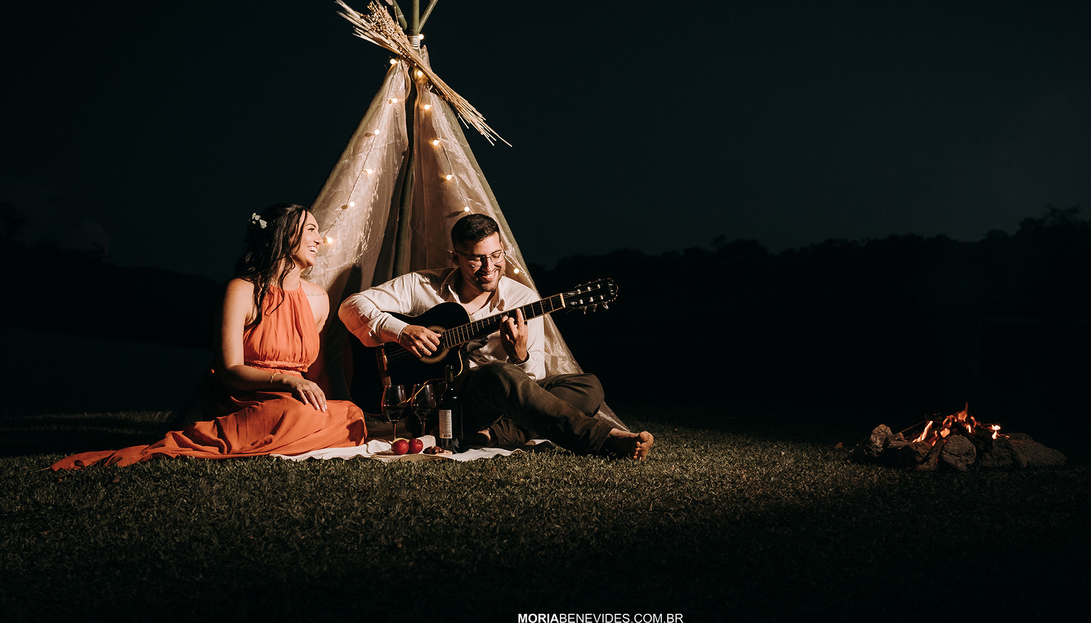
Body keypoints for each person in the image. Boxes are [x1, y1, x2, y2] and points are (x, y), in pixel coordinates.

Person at [52, 204, 367, 470]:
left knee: (351, 415)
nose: (319, 239)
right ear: (283, 234)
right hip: (245, 396)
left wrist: (324, 406)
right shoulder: (242, 290)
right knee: (293, 412)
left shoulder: (318, 298)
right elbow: (230, 370)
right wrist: (287, 381)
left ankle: (296, 431)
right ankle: (267, 433)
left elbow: (318, 373)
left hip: (294, 400)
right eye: (310, 229)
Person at [339, 214, 653, 460]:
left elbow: (533, 380)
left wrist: (521, 355)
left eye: (496, 255)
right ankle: (603, 439)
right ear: (456, 258)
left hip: (503, 405)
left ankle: (488, 436)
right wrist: (401, 330)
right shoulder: (423, 285)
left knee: (587, 386)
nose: (489, 268)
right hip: (447, 404)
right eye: (476, 259)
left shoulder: (523, 299)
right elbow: (350, 306)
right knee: (497, 374)